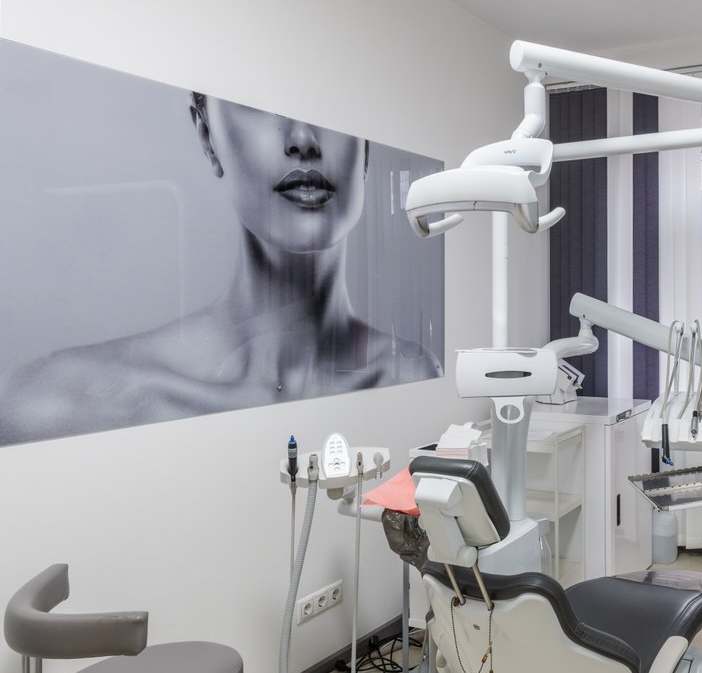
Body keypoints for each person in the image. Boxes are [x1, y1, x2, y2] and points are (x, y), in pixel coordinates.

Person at [0, 94, 441, 445]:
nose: (303, 139)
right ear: (208, 136)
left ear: (365, 148)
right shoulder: (63, 402)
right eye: (259, 104)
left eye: (334, 109)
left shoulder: (411, 373)